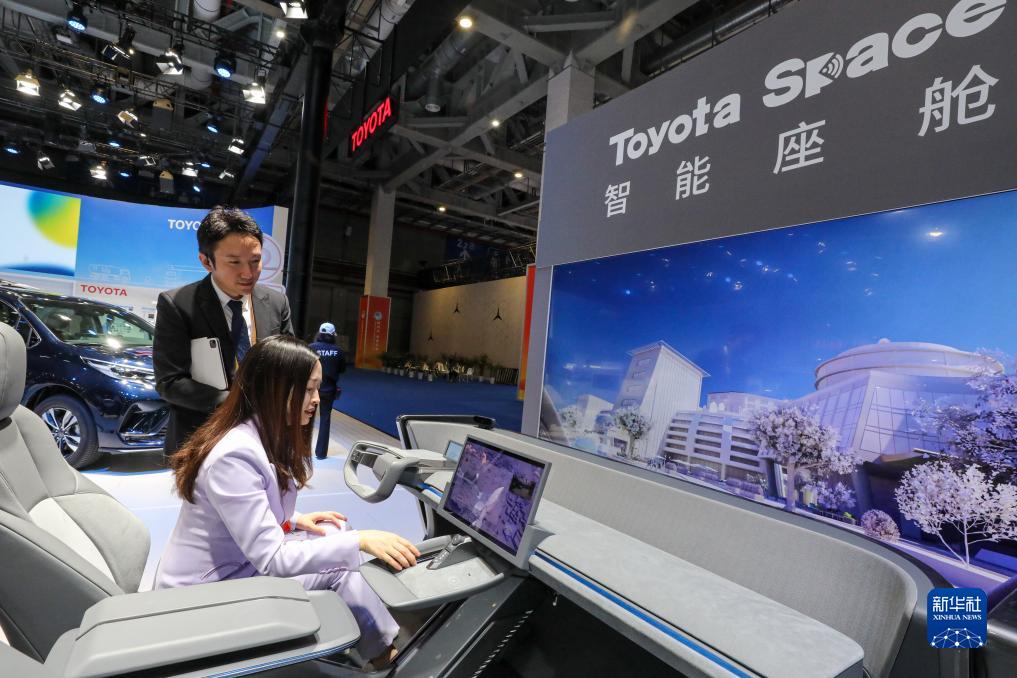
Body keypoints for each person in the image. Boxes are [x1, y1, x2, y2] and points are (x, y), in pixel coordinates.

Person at [155, 335, 420, 667]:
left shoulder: (258, 434)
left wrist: (295, 520)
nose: (316, 399)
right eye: (308, 389)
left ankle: (365, 637)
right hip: (202, 596)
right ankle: (385, 656)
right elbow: (272, 560)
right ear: (274, 388)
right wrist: (360, 540)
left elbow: (242, 512)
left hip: (231, 569)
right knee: (340, 562)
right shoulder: (235, 454)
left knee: (334, 529)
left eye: (317, 389)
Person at [154, 206, 293, 457]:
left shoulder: (276, 303)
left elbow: (288, 365)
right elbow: (170, 382)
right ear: (206, 261)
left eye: (255, 261)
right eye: (234, 262)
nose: (248, 273)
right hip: (201, 439)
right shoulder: (178, 304)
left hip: (265, 437)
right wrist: (237, 406)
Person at [308, 322, 346, 460]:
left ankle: (303, 449)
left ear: (319, 333)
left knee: (307, 418)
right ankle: (321, 453)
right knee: (325, 419)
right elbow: (342, 369)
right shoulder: (338, 351)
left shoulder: (311, 348)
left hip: (311, 389)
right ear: (333, 335)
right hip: (329, 389)